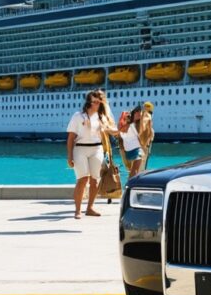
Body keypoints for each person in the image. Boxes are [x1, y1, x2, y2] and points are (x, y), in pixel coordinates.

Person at [66, 90, 120, 219]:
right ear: (89, 102)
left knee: (95, 179)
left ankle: (90, 208)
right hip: (80, 149)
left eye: (99, 102)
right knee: (82, 179)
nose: (97, 104)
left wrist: (123, 127)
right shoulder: (78, 116)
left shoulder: (102, 117)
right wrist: (70, 156)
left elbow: (113, 131)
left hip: (97, 149)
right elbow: (71, 138)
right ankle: (78, 210)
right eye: (95, 101)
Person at [121, 105, 154, 178]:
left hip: (135, 149)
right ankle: (131, 183)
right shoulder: (132, 123)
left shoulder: (139, 124)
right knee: (136, 170)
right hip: (135, 149)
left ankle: (131, 183)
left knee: (135, 170)